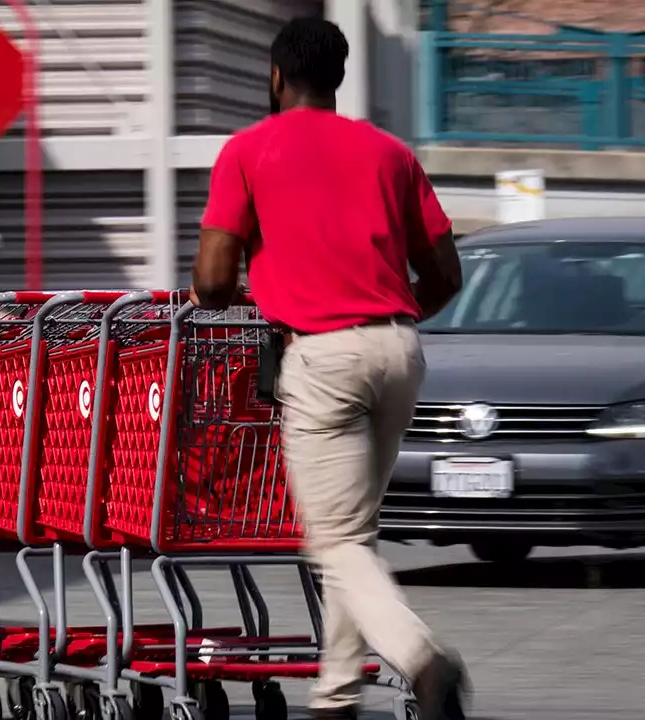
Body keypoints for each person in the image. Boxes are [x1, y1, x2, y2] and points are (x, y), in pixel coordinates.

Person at [191, 16, 467, 720]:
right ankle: (336, 696)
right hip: (399, 347)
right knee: (358, 535)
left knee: (334, 539)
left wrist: (218, 294)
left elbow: (215, 280)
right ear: (339, 80)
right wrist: (393, 314)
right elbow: (445, 270)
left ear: (276, 78)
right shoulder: (391, 153)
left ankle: (420, 656)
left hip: (321, 354)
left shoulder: (248, 150)